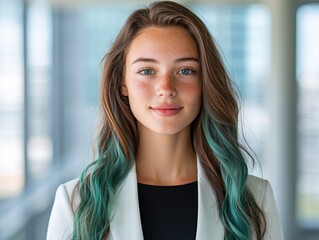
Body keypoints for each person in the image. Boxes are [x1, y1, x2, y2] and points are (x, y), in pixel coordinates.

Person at [47, 1, 284, 240]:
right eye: (147, 71)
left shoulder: (254, 199)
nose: (166, 89)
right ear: (122, 83)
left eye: (185, 70)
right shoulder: (76, 203)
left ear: (205, 82)